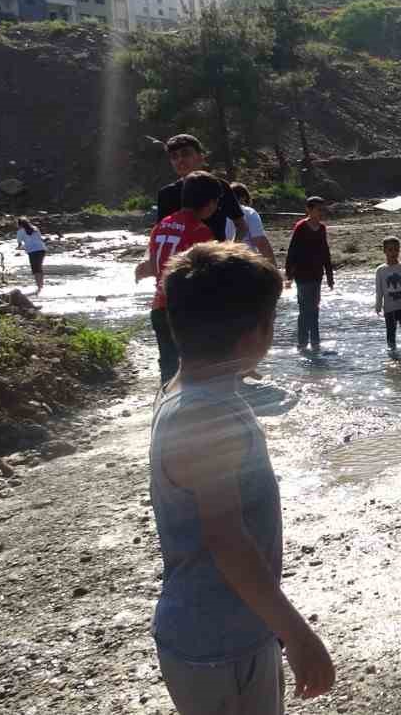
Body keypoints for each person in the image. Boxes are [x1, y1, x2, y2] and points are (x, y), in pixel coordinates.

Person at [148, 242, 335, 713]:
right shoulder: (205, 414)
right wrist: (298, 635)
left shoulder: (184, 391)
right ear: (256, 333)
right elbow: (228, 540)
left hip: (228, 627)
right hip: (219, 643)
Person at [137, 171, 220, 385]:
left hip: (159, 307)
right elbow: (207, 278)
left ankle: (165, 403)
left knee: (168, 368)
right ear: (210, 203)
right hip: (186, 311)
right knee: (196, 370)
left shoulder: (161, 225)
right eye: (216, 202)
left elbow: (154, 265)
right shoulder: (201, 232)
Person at [136, 135, 248, 284]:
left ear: (201, 157)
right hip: (178, 270)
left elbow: (241, 226)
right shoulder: (167, 194)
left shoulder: (221, 187)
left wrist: (228, 252)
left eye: (186, 154)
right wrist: (147, 260)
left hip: (214, 266)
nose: (180, 160)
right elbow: (159, 233)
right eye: (174, 156)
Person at [284, 197, 334, 353]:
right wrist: (289, 275)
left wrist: (330, 276)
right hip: (302, 274)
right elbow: (292, 251)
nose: (321, 212)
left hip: (317, 274)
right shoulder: (301, 227)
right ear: (309, 210)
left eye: (322, 209)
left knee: (315, 309)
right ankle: (302, 343)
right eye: (318, 209)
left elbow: (325, 251)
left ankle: (315, 342)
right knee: (305, 309)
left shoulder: (322, 228)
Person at [374, 237, 401, 354]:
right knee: (390, 333)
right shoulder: (380, 270)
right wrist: (378, 305)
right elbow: (379, 291)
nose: (393, 253)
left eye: (396, 250)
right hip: (389, 309)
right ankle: (392, 353)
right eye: (390, 250)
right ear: (384, 251)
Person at [226, 183, 278, 266]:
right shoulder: (249, 213)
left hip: (222, 259)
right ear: (243, 197)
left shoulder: (217, 213)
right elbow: (260, 242)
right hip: (245, 260)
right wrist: (273, 266)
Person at [16, 217, 49, 294]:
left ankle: (39, 287)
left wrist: (19, 248)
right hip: (42, 249)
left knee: (35, 269)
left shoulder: (20, 232)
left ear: (19, 225)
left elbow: (19, 244)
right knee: (39, 267)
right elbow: (40, 239)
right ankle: (41, 285)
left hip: (32, 251)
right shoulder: (35, 228)